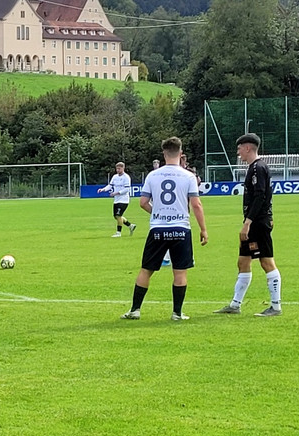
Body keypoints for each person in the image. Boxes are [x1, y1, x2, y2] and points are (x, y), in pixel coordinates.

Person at [121, 137, 208, 321]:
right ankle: (177, 313)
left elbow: (143, 202)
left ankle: (135, 310)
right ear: (181, 153)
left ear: (163, 153)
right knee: (180, 271)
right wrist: (203, 229)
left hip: (158, 229)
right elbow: (196, 204)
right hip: (181, 229)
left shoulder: (153, 175)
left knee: (146, 270)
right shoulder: (189, 176)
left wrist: (157, 213)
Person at [214, 133, 283, 317]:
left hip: (258, 223)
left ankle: (276, 306)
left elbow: (260, 196)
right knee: (243, 261)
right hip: (255, 222)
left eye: (239, 148)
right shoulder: (253, 168)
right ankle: (235, 304)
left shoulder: (258, 168)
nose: (238, 152)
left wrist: (248, 223)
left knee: (266, 261)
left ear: (247, 148)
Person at [97, 162, 136, 238]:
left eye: (119, 168)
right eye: (117, 168)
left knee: (118, 215)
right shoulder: (115, 177)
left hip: (124, 200)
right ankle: (130, 225)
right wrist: (103, 189)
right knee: (116, 216)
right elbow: (110, 185)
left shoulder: (126, 177)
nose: (118, 170)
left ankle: (118, 233)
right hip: (117, 200)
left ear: (123, 168)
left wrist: (117, 193)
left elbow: (127, 189)